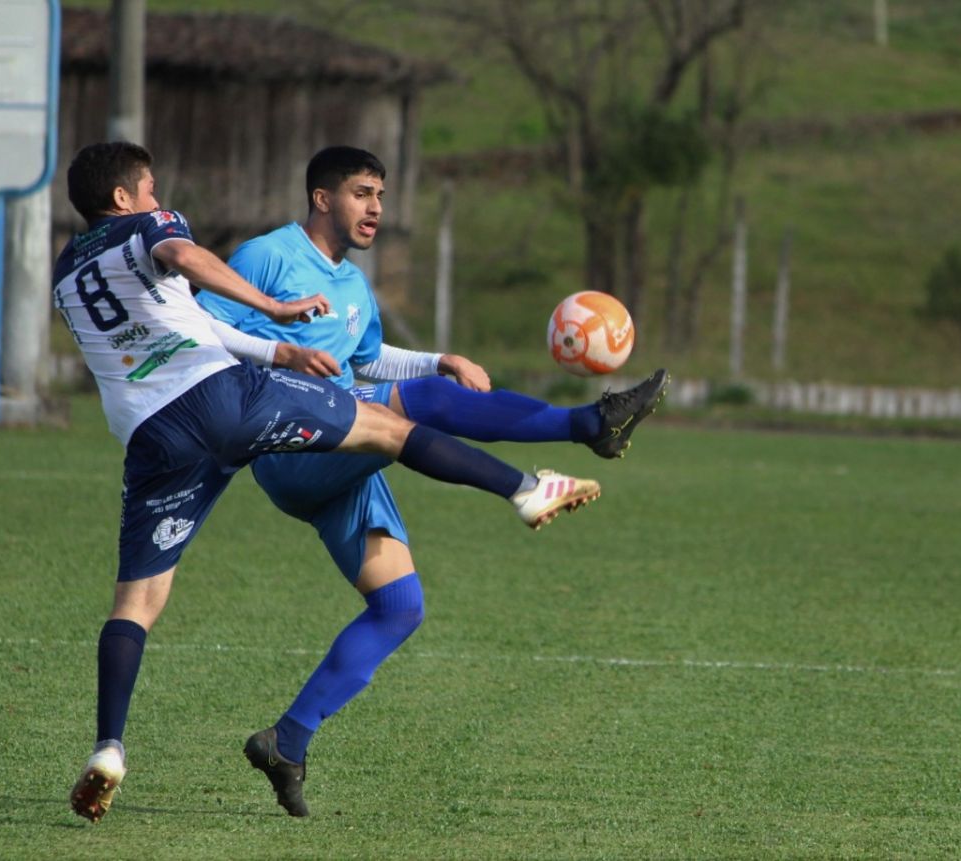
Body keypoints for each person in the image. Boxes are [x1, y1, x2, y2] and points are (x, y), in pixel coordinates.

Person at [54, 141, 602, 824]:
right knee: (391, 428)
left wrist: (280, 349)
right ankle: (526, 487)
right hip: (223, 398)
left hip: (152, 438)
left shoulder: (67, 270)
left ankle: (109, 746)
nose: (158, 199)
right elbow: (185, 260)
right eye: (150, 189)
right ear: (123, 200)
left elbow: (183, 324)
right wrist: (271, 308)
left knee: (135, 603)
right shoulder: (155, 228)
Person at [197, 146, 668, 817]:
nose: (376, 209)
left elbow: (367, 361)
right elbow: (202, 327)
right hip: (288, 444)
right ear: (322, 197)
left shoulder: (354, 286)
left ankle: (287, 740)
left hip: (346, 445)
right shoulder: (265, 257)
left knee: (399, 607)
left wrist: (436, 359)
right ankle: (589, 423)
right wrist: (270, 374)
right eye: (362, 193)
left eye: (381, 196)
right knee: (406, 404)